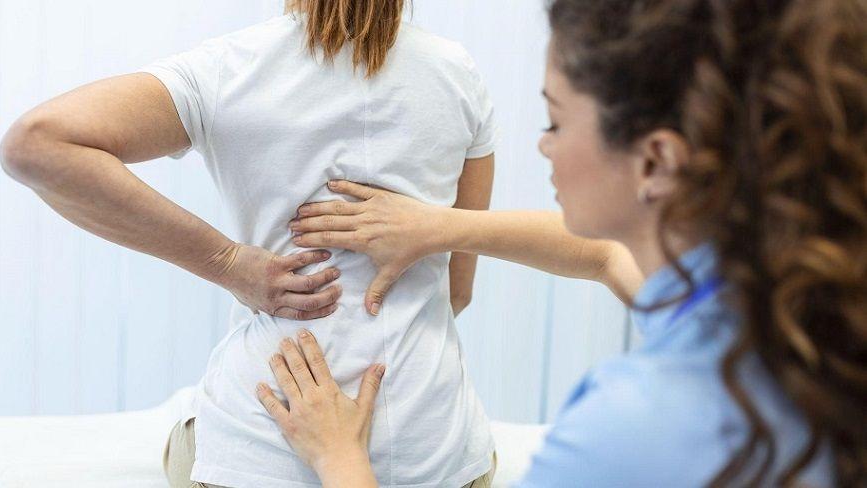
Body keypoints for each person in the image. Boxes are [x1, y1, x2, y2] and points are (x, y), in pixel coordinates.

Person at [256, 0, 867, 486]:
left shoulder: (629, 428)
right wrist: (441, 227)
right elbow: (604, 257)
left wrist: (340, 459)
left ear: (656, 161)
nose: (544, 145)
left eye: (556, 119)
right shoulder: (794, 302)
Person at [0, 0, 516, 486]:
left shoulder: (229, 67)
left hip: (255, 457)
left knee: (187, 432)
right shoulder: (457, 72)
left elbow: (36, 143)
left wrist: (228, 262)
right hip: (439, 460)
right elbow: (458, 291)